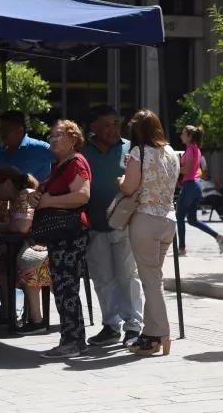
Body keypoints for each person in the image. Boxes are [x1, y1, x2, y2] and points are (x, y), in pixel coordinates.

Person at [118, 110, 180, 357]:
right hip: (168, 220)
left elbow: (129, 187)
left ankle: (162, 333)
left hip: (146, 219)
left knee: (150, 280)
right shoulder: (171, 152)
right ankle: (151, 334)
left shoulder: (137, 152)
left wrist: (120, 181)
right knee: (155, 279)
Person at [81, 106, 142, 349]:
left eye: (116, 123)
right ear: (93, 127)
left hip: (124, 225)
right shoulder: (83, 152)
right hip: (95, 226)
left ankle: (134, 326)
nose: (113, 129)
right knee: (102, 278)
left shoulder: (130, 148)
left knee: (127, 277)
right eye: (107, 124)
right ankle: (110, 325)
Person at [36, 120, 92, 360]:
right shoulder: (60, 165)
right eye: (52, 135)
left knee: (66, 286)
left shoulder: (76, 163)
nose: (53, 139)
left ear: (73, 139)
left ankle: (73, 340)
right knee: (62, 286)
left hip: (70, 233)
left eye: (59, 135)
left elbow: (82, 195)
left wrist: (48, 201)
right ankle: (73, 339)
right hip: (60, 234)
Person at [0, 167, 49, 334]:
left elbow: (22, 226)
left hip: (39, 250)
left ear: (7, 183)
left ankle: (37, 320)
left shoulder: (25, 194)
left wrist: (1, 226)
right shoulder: (7, 202)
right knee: (0, 264)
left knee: (26, 262)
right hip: (23, 250)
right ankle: (7, 313)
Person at [0, 111, 53, 203]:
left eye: (5, 130)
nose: (1, 134)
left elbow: (69, 160)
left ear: (20, 131)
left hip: (36, 209)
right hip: (5, 211)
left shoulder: (42, 149)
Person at [176, 126, 223, 256]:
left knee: (179, 216)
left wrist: (173, 167)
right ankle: (219, 236)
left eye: (183, 133)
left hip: (190, 186)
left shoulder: (191, 149)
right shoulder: (195, 149)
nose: (181, 135)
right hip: (195, 186)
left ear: (189, 136)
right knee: (192, 220)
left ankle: (182, 248)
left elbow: (187, 170)